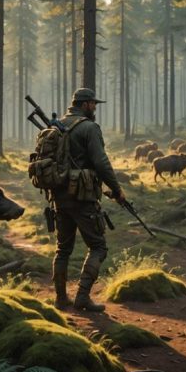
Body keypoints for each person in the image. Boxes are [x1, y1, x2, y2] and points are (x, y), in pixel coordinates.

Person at [51, 87, 125, 312]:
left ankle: (61, 299)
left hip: (59, 196)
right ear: (84, 105)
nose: (95, 108)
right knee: (98, 247)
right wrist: (117, 189)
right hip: (83, 198)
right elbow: (101, 163)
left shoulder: (55, 127)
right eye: (93, 104)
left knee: (62, 249)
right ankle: (82, 297)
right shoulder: (89, 128)